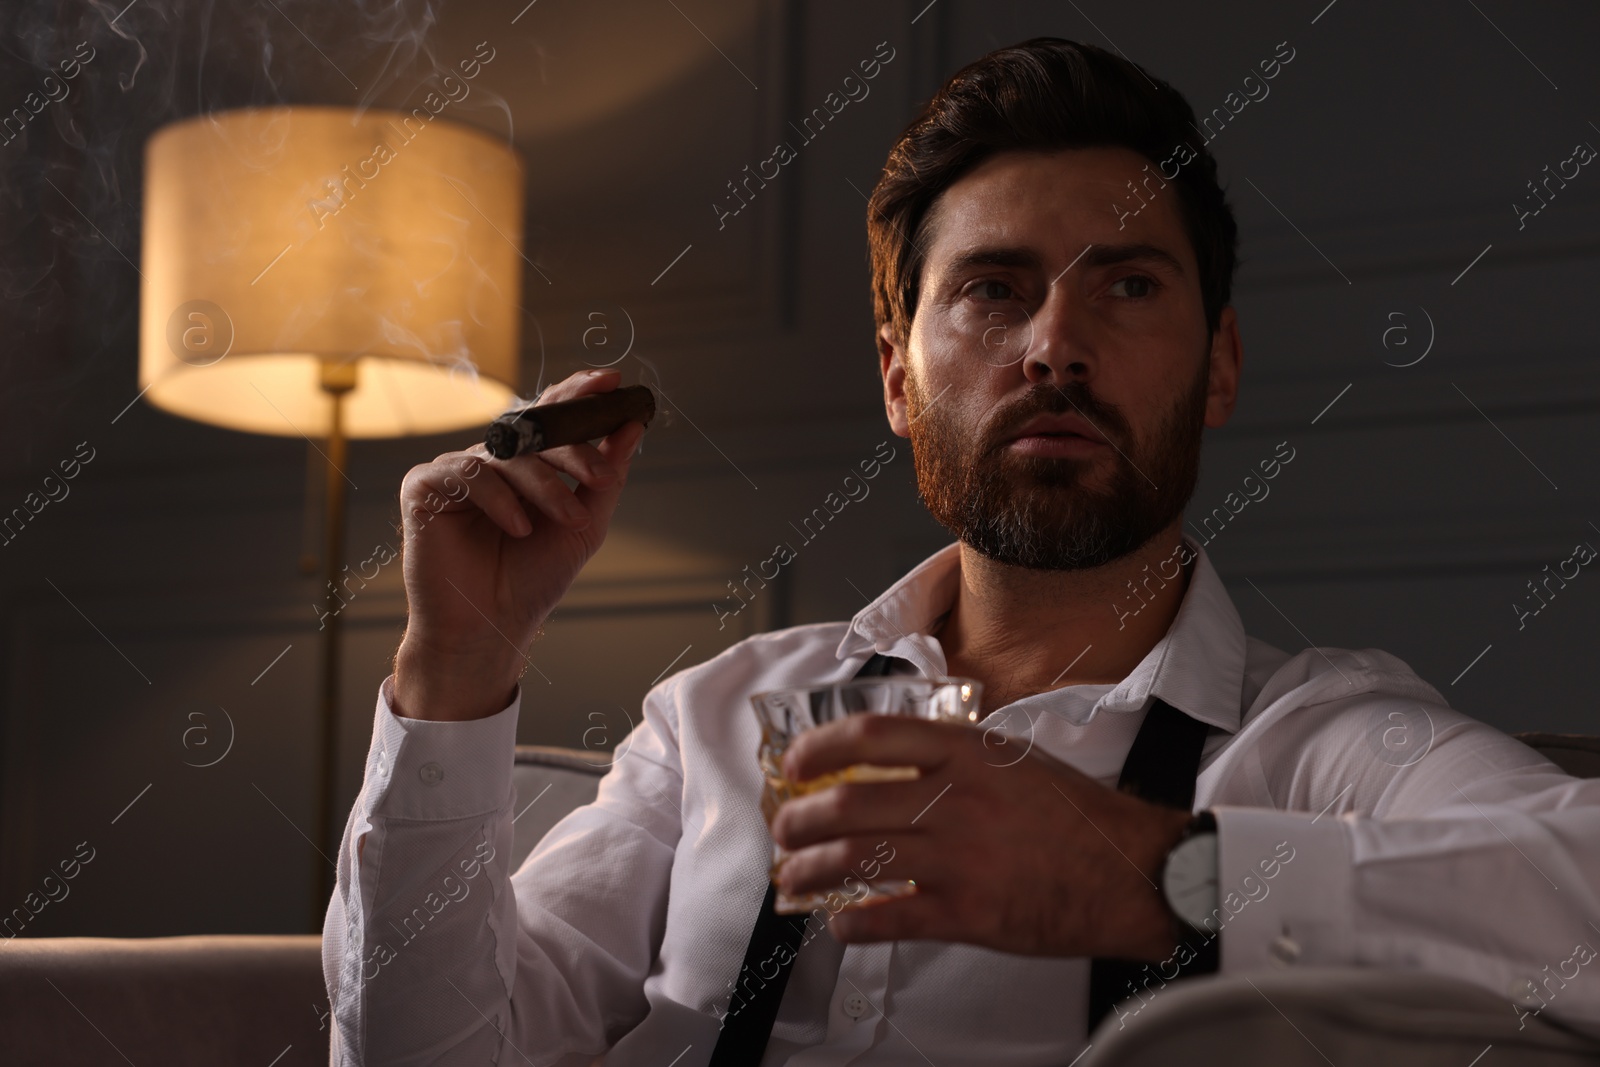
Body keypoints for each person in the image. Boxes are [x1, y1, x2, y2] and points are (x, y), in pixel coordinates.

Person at [322, 37, 1600, 1065]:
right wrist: (457, 667)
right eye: (993, 287)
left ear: (1216, 369)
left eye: (1129, 285)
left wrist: (1167, 874)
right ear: (895, 375)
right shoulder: (715, 718)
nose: (1053, 344)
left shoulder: (1324, 743)